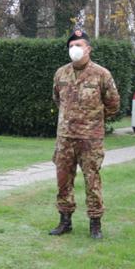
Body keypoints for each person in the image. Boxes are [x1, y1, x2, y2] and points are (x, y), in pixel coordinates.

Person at [50, 28, 120, 239]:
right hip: (65, 137)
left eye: (78, 45)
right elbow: (57, 99)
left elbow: (113, 104)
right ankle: (65, 221)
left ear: (88, 48)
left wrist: (93, 121)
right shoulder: (61, 74)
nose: (74, 49)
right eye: (71, 46)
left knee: (92, 181)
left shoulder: (101, 74)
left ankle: (95, 224)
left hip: (90, 139)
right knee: (63, 181)